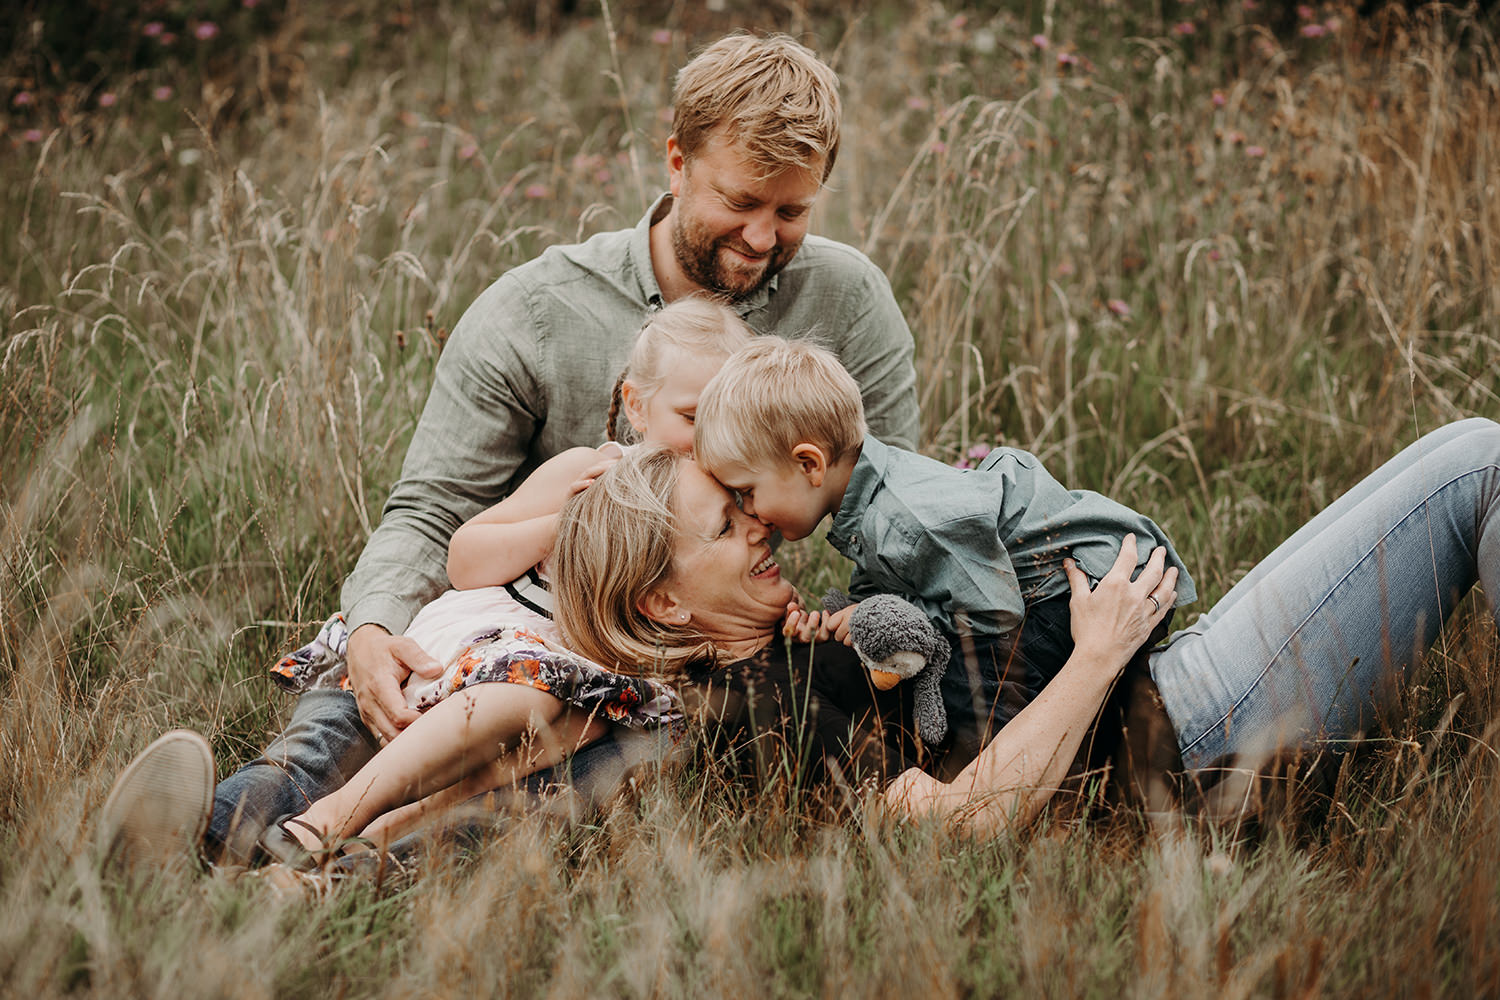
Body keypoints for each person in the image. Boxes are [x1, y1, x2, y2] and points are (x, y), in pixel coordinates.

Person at [185, 32, 921, 862]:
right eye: (741, 200)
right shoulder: (535, 313)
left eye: (791, 212)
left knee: (628, 758)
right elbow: (434, 513)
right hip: (515, 622)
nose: (760, 237)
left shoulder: (849, 302)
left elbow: (891, 509)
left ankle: (359, 868)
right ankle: (209, 830)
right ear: (676, 161)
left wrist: (869, 637)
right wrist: (371, 630)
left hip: (699, 651)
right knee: (366, 709)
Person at [553, 416, 1500, 835]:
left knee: (1465, 452)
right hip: (1175, 750)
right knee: (1475, 470)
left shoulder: (800, 636)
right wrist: (1098, 654)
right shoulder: (765, 713)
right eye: (727, 523)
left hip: (1157, 686)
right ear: (664, 603)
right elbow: (951, 829)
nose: (759, 521)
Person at [99, 298, 752, 868]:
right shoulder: (589, 470)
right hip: (486, 637)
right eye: (695, 417)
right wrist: (560, 524)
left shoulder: (725, 509)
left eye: (731, 420)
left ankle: (305, 868)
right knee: (328, 747)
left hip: (557, 691)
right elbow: (465, 557)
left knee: (468, 785)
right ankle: (194, 834)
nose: (710, 441)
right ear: (637, 406)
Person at [692, 336, 1197, 771]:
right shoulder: (867, 500)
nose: (752, 513)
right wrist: (852, 614)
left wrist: (905, 616)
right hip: (1059, 582)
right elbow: (907, 580)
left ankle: (999, 775)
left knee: (970, 681)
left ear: (809, 464)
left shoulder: (902, 518)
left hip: (1074, 588)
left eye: (748, 491)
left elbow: (994, 608)